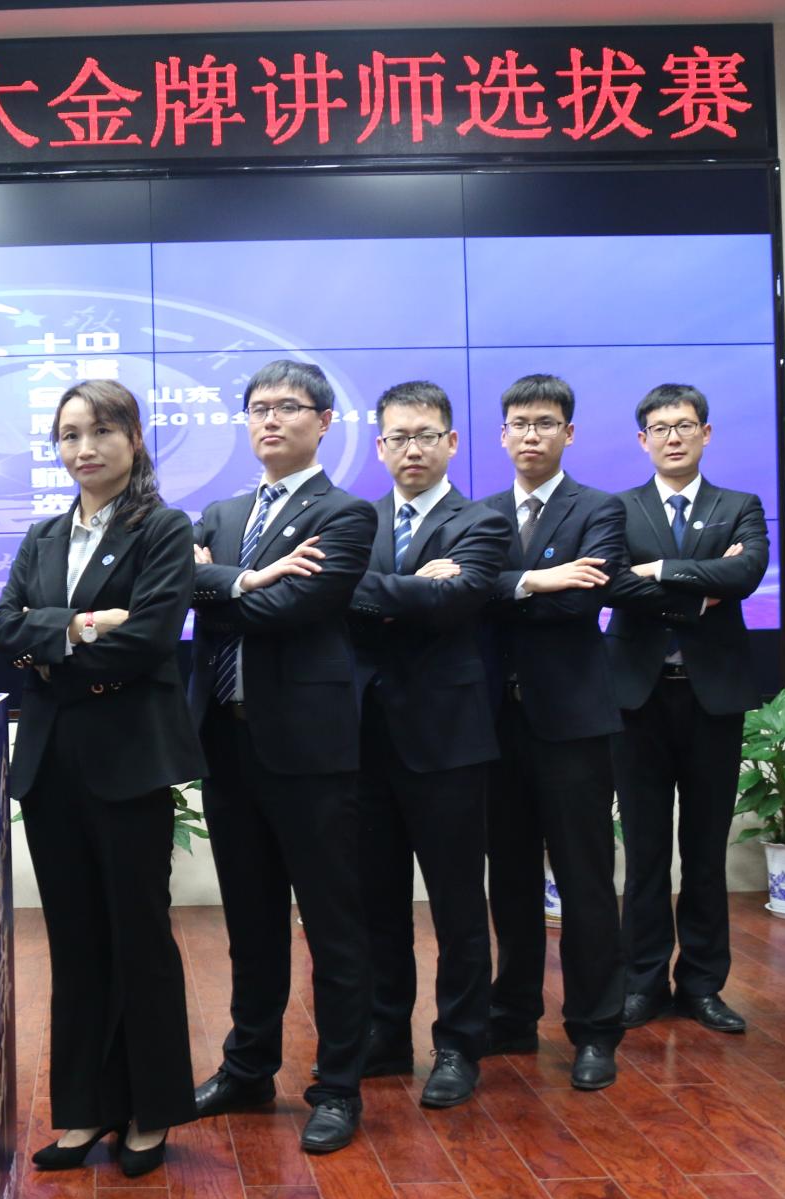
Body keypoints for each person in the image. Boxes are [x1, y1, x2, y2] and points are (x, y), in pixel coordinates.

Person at [0, 378, 202, 1178]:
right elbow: (1, 629)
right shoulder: (44, 535)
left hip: (128, 759)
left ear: (135, 439)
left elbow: (150, 640)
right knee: (75, 941)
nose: (85, 448)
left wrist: (50, 653)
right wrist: (79, 629)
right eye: (70, 434)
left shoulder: (163, 528)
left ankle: (149, 1109)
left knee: (138, 936)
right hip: (53, 763)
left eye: (102, 431)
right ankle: (84, 1109)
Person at [186, 359, 377, 1154]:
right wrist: (245, 580)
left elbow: (296, 606)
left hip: (309, 748)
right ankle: (248, 1067)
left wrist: (221, 583)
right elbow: (184, 591)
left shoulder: (347, 514)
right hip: (227, 741)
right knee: (250, 918)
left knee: (332, 923)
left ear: (324, 422)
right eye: (258, 407)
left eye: (289, 407)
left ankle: (338, 1086)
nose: (270, 419)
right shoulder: (222, 512)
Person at [347, 381, 509, 1107]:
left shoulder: (482, 521)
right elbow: (338, 596)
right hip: (365, 739)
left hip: (448, 740)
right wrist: (411, 585)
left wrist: (377, 590)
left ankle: (459, 1045)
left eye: (426, 435)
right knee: (376, 902)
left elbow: (456, 600)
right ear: (380, 446)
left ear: (451, 442)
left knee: (456, 904)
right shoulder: (358, 520)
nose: (411, 449)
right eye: (398, 437)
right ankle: (386, 1035)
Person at [478, 373, 627, 1090]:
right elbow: (468, 596)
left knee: (584, 879)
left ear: (569, 433)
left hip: (572, 724)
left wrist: (502, 588)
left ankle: (596, 1028)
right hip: (494, 724)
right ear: (502, 435)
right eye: (519, 423)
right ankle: (512, 1015)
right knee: (508, 878)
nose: (530, 434)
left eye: (544, 423)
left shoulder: (599, 508)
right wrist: (537, 579)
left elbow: (583, 600)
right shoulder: (479, 512)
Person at [607, 383, 768, 1035]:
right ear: (642, 440)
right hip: (636, 698)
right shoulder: (617, 509)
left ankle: (702, 985)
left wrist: (658, 570)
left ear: (706, 433)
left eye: (684, 425)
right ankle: (642, 984)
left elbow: (746, 574)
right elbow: (613, 583)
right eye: (660, 427)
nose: (673, 437)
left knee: (704, 849)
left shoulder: (740, 505)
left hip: (712, 699)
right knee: (645, 850)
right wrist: (701, 589)